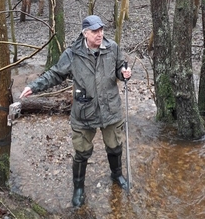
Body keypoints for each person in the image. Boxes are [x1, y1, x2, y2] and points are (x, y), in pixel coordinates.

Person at [19, 15, 131, 207]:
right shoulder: (72, 54)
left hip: (110, 108)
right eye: (95, 31)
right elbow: (55, 74)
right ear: (85, 33)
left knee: (115, 146)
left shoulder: (112, 47)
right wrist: (34, 86)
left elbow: (120, 66)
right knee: (81, 152)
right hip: (84, 111)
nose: (100, 34)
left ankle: (117, 175)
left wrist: (124, 73)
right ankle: (78, 188)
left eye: (101, 30)